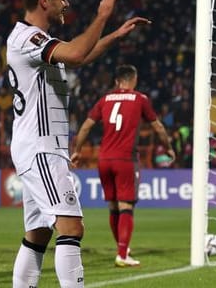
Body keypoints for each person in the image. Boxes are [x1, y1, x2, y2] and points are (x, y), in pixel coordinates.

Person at [7, 0, 150, 288]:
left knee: (38, 233)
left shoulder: (37, 40)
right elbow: (75, 53)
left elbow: (78, 57)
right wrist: (102, 16)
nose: (66, 3)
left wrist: (114, 35)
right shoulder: (28, 38)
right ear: (44, 2)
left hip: (38, 145)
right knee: (71, 227)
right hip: (41, 146)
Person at [71, 64, 175, 267]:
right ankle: (122, 254)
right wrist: (168, 147)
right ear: (133, 80)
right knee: (126, 206)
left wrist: (77, 150)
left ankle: (122, 248)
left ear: (117, 81)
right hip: (125, 160)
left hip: (104, 160)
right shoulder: (140, 98)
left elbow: (85, 126)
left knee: (113, 206)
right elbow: (158, 127)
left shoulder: (104, 99)